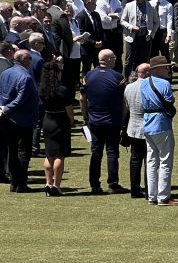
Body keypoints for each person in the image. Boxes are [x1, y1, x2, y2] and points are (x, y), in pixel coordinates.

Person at [82, 49, 125, 195]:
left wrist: (85, 117)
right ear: (107, 60)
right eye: (113, 57)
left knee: (96, 153)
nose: (115, 60)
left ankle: (94, 184)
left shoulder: (88, 75)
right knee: (112, 152)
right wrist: (123, 120)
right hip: (112, 121)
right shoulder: (118, 77)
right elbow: (124, 102)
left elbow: (83, 99)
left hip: (94, 121)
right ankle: (113, 184)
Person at [141, 55, 178, 206]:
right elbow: (170, 101)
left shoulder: (143, 83)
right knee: (165, 161)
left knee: (151, 161)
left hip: (147, 122)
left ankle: (152, 196)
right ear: (158, 69)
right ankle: (163, 196)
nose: (167, 69)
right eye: (165, 67)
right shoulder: (164, 84)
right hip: (161, 123)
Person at [0, 49, 39, 192]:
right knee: (23, 152)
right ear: (24, 60)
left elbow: (2, 93)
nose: (31, 61)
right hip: (22, 119)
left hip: (7, 118)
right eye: (29, 58)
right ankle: (20, 183)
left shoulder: (5, 73)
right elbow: (21, 99)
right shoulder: (26, 77)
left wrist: (3, 108)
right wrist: (7, 108)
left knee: (12, 150)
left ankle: (14, 181)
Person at [38, 57, 75, 196]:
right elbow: (69, 108)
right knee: (60, 154)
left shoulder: (42, 89)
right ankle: (56, 185)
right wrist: (71, 119)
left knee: (49, 153)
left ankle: (48, 182)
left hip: (47, 120)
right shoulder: (62, 89)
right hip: (60, 121)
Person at [121, 63, 149, 199]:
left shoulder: (129, 87)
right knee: (149, 160)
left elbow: (126, 108)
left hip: (133, 128)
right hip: (147, 128)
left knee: (135, 160)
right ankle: (149, 189)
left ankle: (134, 189)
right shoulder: (149, 86)